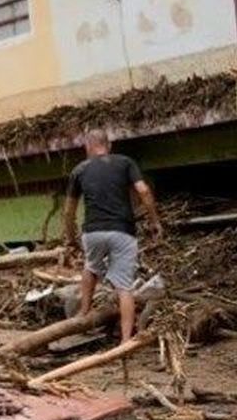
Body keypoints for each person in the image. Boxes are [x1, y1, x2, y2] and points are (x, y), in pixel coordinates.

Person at [63, 129, 164, 343]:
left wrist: (70, 238)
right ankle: (126, 340)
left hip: (93, 231)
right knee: (124, 286)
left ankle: (83, 313)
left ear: (87, 147)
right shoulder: (126, 162)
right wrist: (154, 221)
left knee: (91, 267)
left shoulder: (79, 169)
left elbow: (69, 211)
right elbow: (144, 191)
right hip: (123, 231)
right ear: (108, 146)